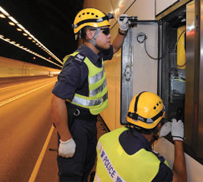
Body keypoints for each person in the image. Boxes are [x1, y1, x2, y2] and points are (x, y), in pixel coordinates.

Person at [51, 7, 129, 182]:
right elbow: (57, 100)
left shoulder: (97, 54)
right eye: (106, 31)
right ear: (89, 34)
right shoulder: (77, 64)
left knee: (86, 169)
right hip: (76, 126)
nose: (110, 35)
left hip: (89, 124)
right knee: (72, 175)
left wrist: (123, 31)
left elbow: (115, 48)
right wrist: (65, 138)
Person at [95, 91, 187, 182]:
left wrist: (156, 135)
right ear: (159, 125)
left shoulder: (106, 138)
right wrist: (178, 140)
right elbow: (180, 180)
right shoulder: (153, 167)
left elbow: (136, 146)